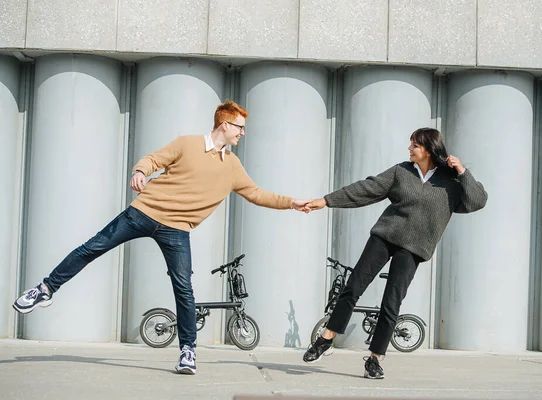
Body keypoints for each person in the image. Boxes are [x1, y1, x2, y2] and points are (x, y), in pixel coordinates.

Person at [13, 100, 310, 375]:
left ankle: (187, 351)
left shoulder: (231, 166)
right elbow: (153, 159)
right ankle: (45, 290)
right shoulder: (187, 144)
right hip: (143, 212)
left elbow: (257, 194)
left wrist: (292, 202)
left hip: (177, 229)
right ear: (224, 125)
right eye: (240, 127)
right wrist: (140, 171)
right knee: (92, 247)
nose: (242, 133)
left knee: (183, 288)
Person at [302, 127, 487, 379]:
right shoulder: (401, 171)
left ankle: (375, 359)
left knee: (391, 303)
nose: (409, 149)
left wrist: (463, 171)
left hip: (413, 249)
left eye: (414, 145)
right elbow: (366, 189)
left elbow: (477, 201)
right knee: (353, 286)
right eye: (410, 145)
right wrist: (326, 200)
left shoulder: (451, 182)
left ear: (429, 149)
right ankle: (326, 339)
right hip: (384, 237)